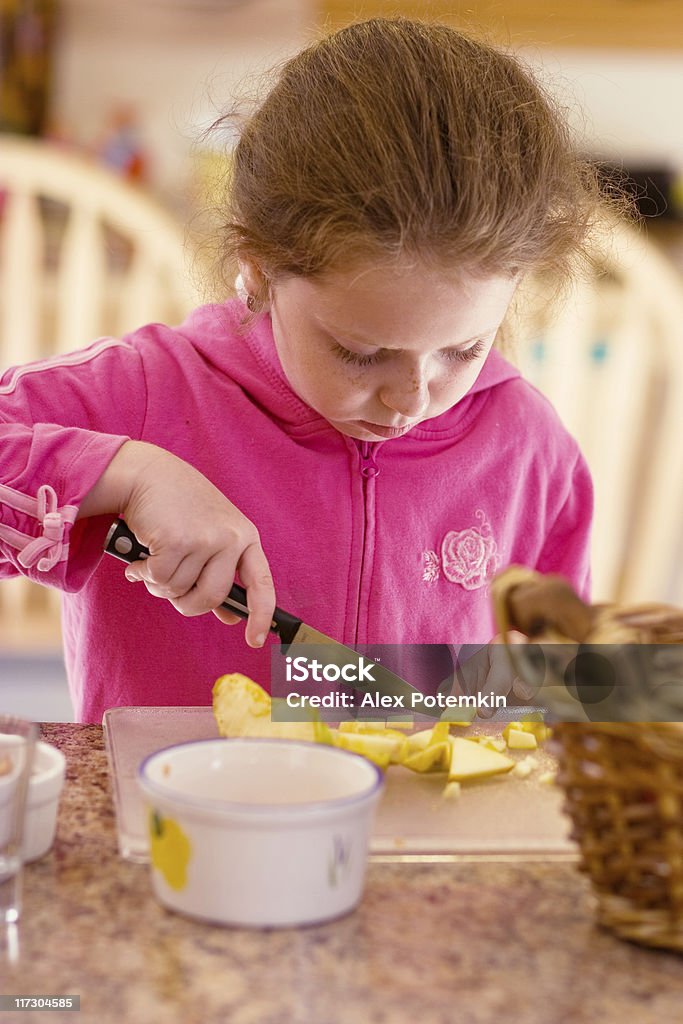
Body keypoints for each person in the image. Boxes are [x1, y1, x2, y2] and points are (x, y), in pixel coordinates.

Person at [0, 17, 604, 723]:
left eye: (463, 349)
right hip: (172, 822)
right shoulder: (143, 390)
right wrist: (127, 474)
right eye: (360, 352)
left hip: (419, 830)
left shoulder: (528, 446)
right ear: (256, 270)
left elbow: (562, 695)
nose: (410, 399)